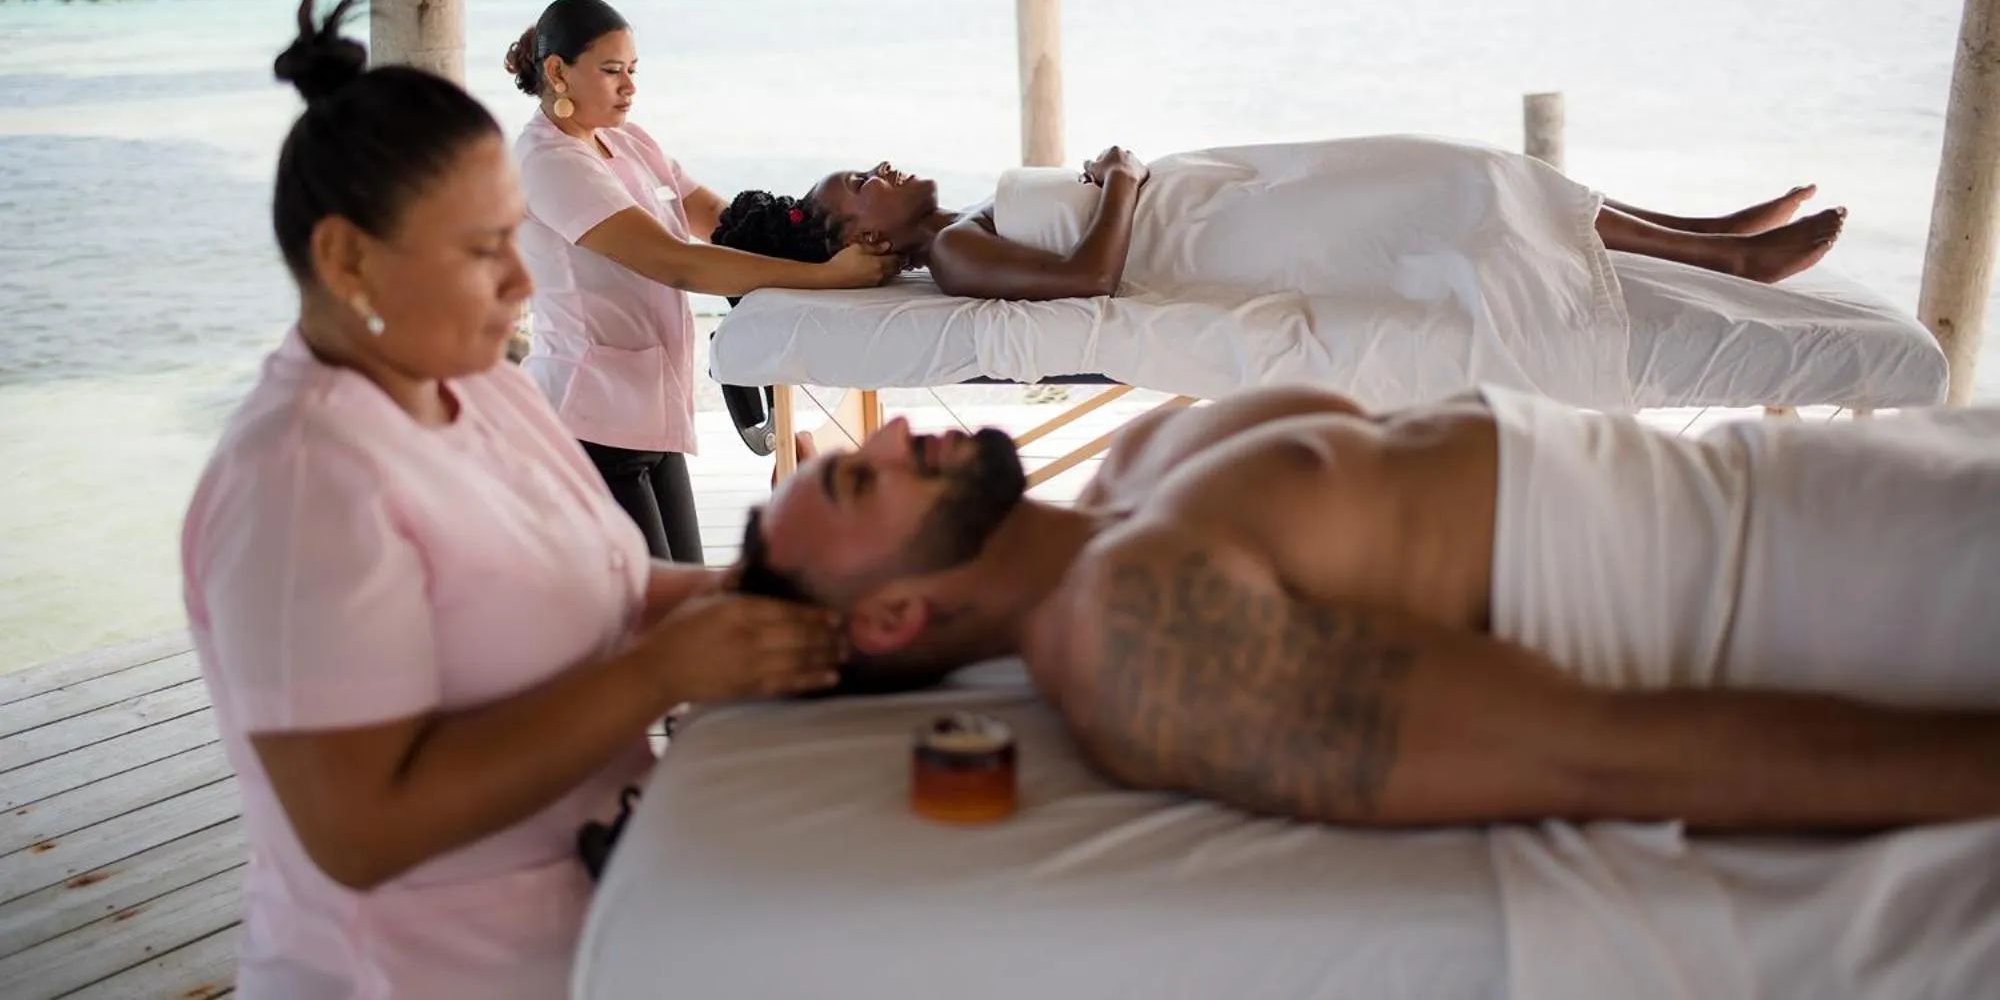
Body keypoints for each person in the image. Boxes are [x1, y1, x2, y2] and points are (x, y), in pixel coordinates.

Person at [180, 0, 844, 998]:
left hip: (596, 926)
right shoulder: (300, 481)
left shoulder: (478, 384)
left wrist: (765, 589)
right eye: (483, 250)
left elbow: (599, 582)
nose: (524, 282)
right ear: (347, 258)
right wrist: (663, 668)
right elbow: (360, 829)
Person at [733, 385, 2000, 831]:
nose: (889, 427)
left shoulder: (1127, 480)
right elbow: (1601, 756)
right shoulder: (1129, 635)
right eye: (857, 477)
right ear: (892, 618)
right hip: (1832, 579)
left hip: (1842, 474)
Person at [506, 0, 897, 565]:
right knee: (657, 612)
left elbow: (722, 223)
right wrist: (829, 278)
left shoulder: (630, 141)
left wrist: (838, 229)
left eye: (633, 71)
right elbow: (677, 261)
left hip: (650, 412)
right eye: (611, 71)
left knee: (685, 583)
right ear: (558, 70)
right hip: (589, 419)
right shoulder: (550, 162)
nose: (629, 88)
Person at [711, 139, 1847, 302]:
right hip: (1215, 238)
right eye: (855, 187)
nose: (877, 170)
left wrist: (1125, 180)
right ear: (861, 241)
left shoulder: (960, 222)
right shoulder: (952, 253)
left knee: (1470, 163)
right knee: (1463, 193)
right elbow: (1093, 284)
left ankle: (1706, 230)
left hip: (1221, 192)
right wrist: (1120, 191)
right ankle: (1723, 254)